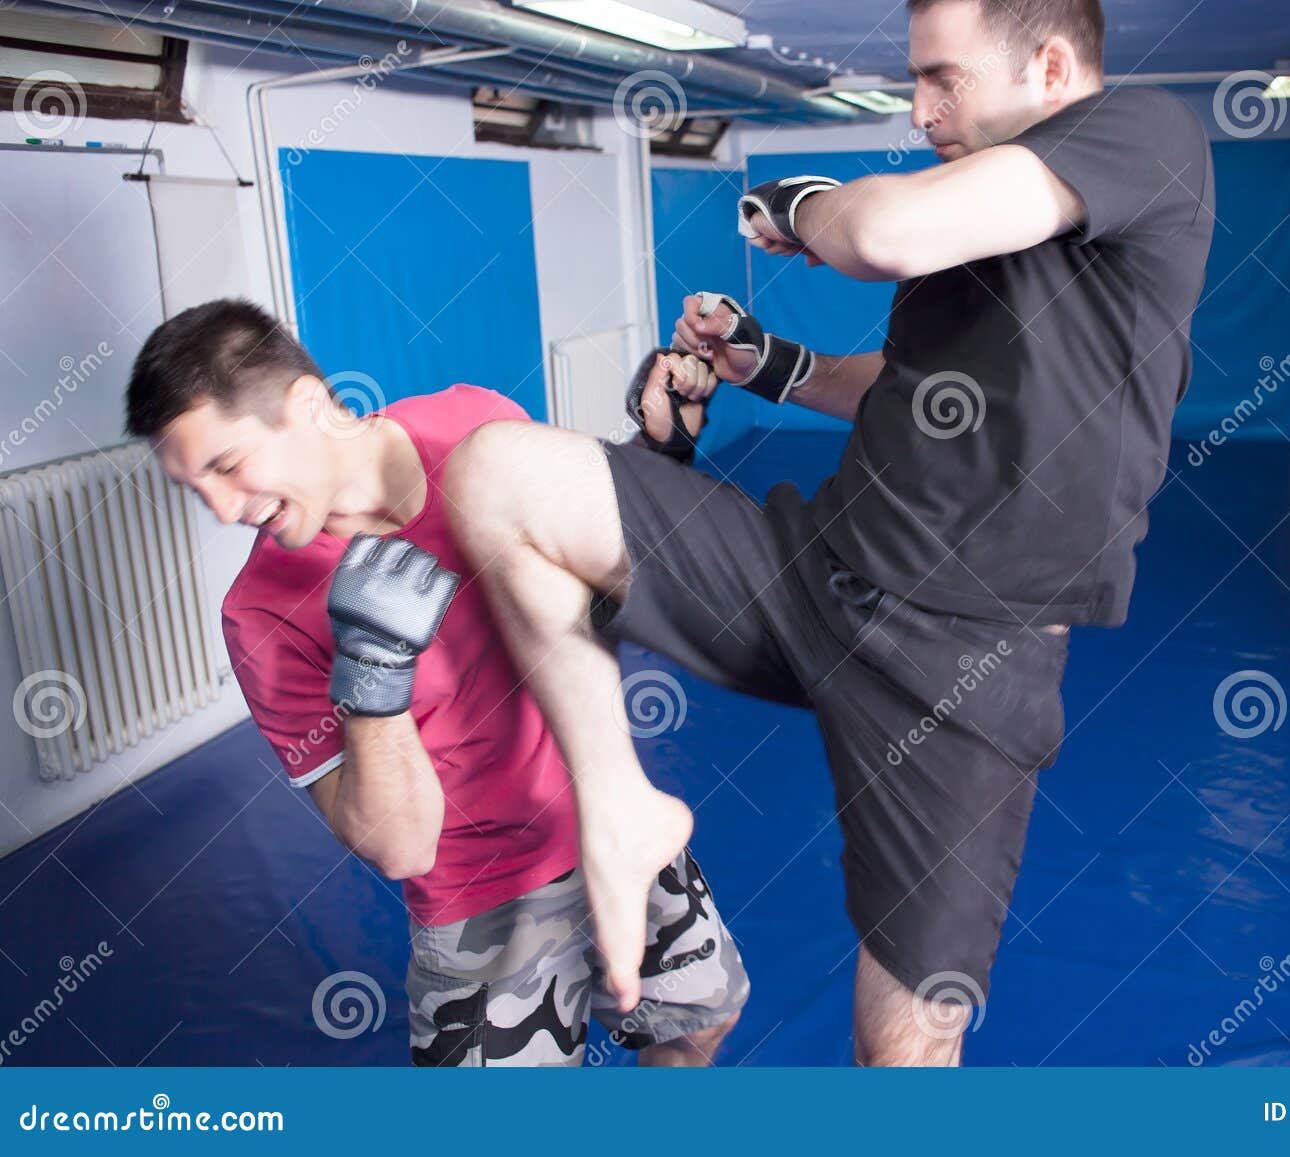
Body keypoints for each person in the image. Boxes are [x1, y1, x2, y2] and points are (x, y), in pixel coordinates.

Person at [444, 0, 1214, 1064]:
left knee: (903, 1045)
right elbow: (909, 385)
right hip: (813, 565)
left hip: (959, 656)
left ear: (1048, 67)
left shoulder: (1147, 133)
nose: (920, 109)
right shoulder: (972, 207)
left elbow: (881, 232)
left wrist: (802, 203)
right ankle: (618, 803)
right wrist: (767, 362)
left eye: (942, 78)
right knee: (493, 470)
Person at [123, 300, 745, 1066]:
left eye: (225, 466)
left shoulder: (475, 426)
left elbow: (585, 593)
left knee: (695, 1025)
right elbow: (400, 847)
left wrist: (657, 457)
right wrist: (374, 670)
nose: (221, 511)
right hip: (482, 898)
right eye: (195, 489)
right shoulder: (261, 614)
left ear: (308, 404)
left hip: (609, 816)